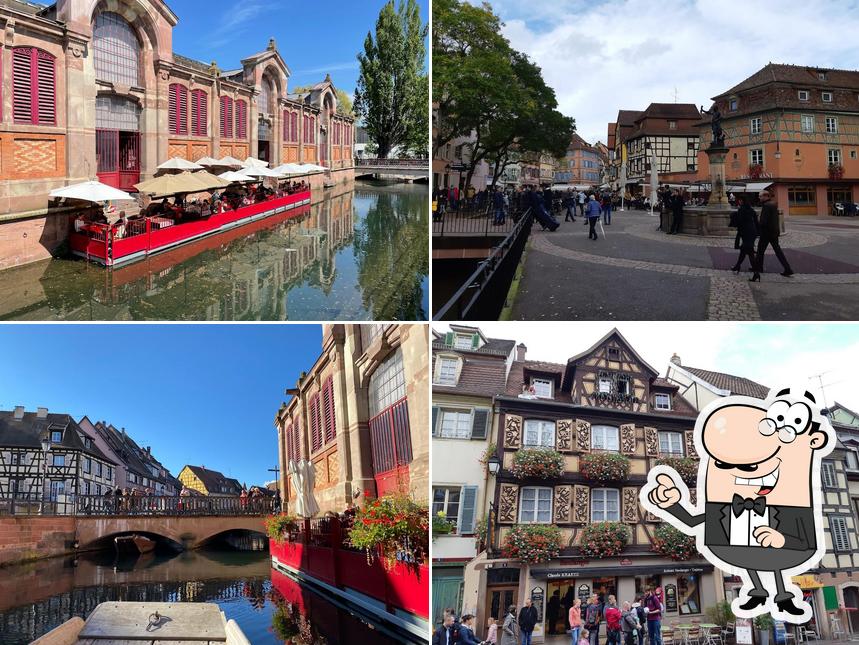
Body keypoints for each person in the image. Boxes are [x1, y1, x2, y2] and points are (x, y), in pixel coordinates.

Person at [751, 189, 793, 282]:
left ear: (766, 196)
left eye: (760, 196)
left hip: (766, 233)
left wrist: (758, 221)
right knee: (778, 251)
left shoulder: (766, 206)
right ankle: (787, 268)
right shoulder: (773, 204)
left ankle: (757, 270)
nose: (759, 197)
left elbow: (763, 221)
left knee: (760, 251)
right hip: (774, 232)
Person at [731, 196, 759, 273]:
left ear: (742, 201)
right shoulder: (751, 210)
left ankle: (756, 273)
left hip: (746, 233)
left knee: (750, 252)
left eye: (740, 200)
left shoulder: (742, 210)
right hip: (752, 232)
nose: (739, 202)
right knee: (744, 251)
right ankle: (737, 266)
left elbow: (739, 222)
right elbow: (756, 222)